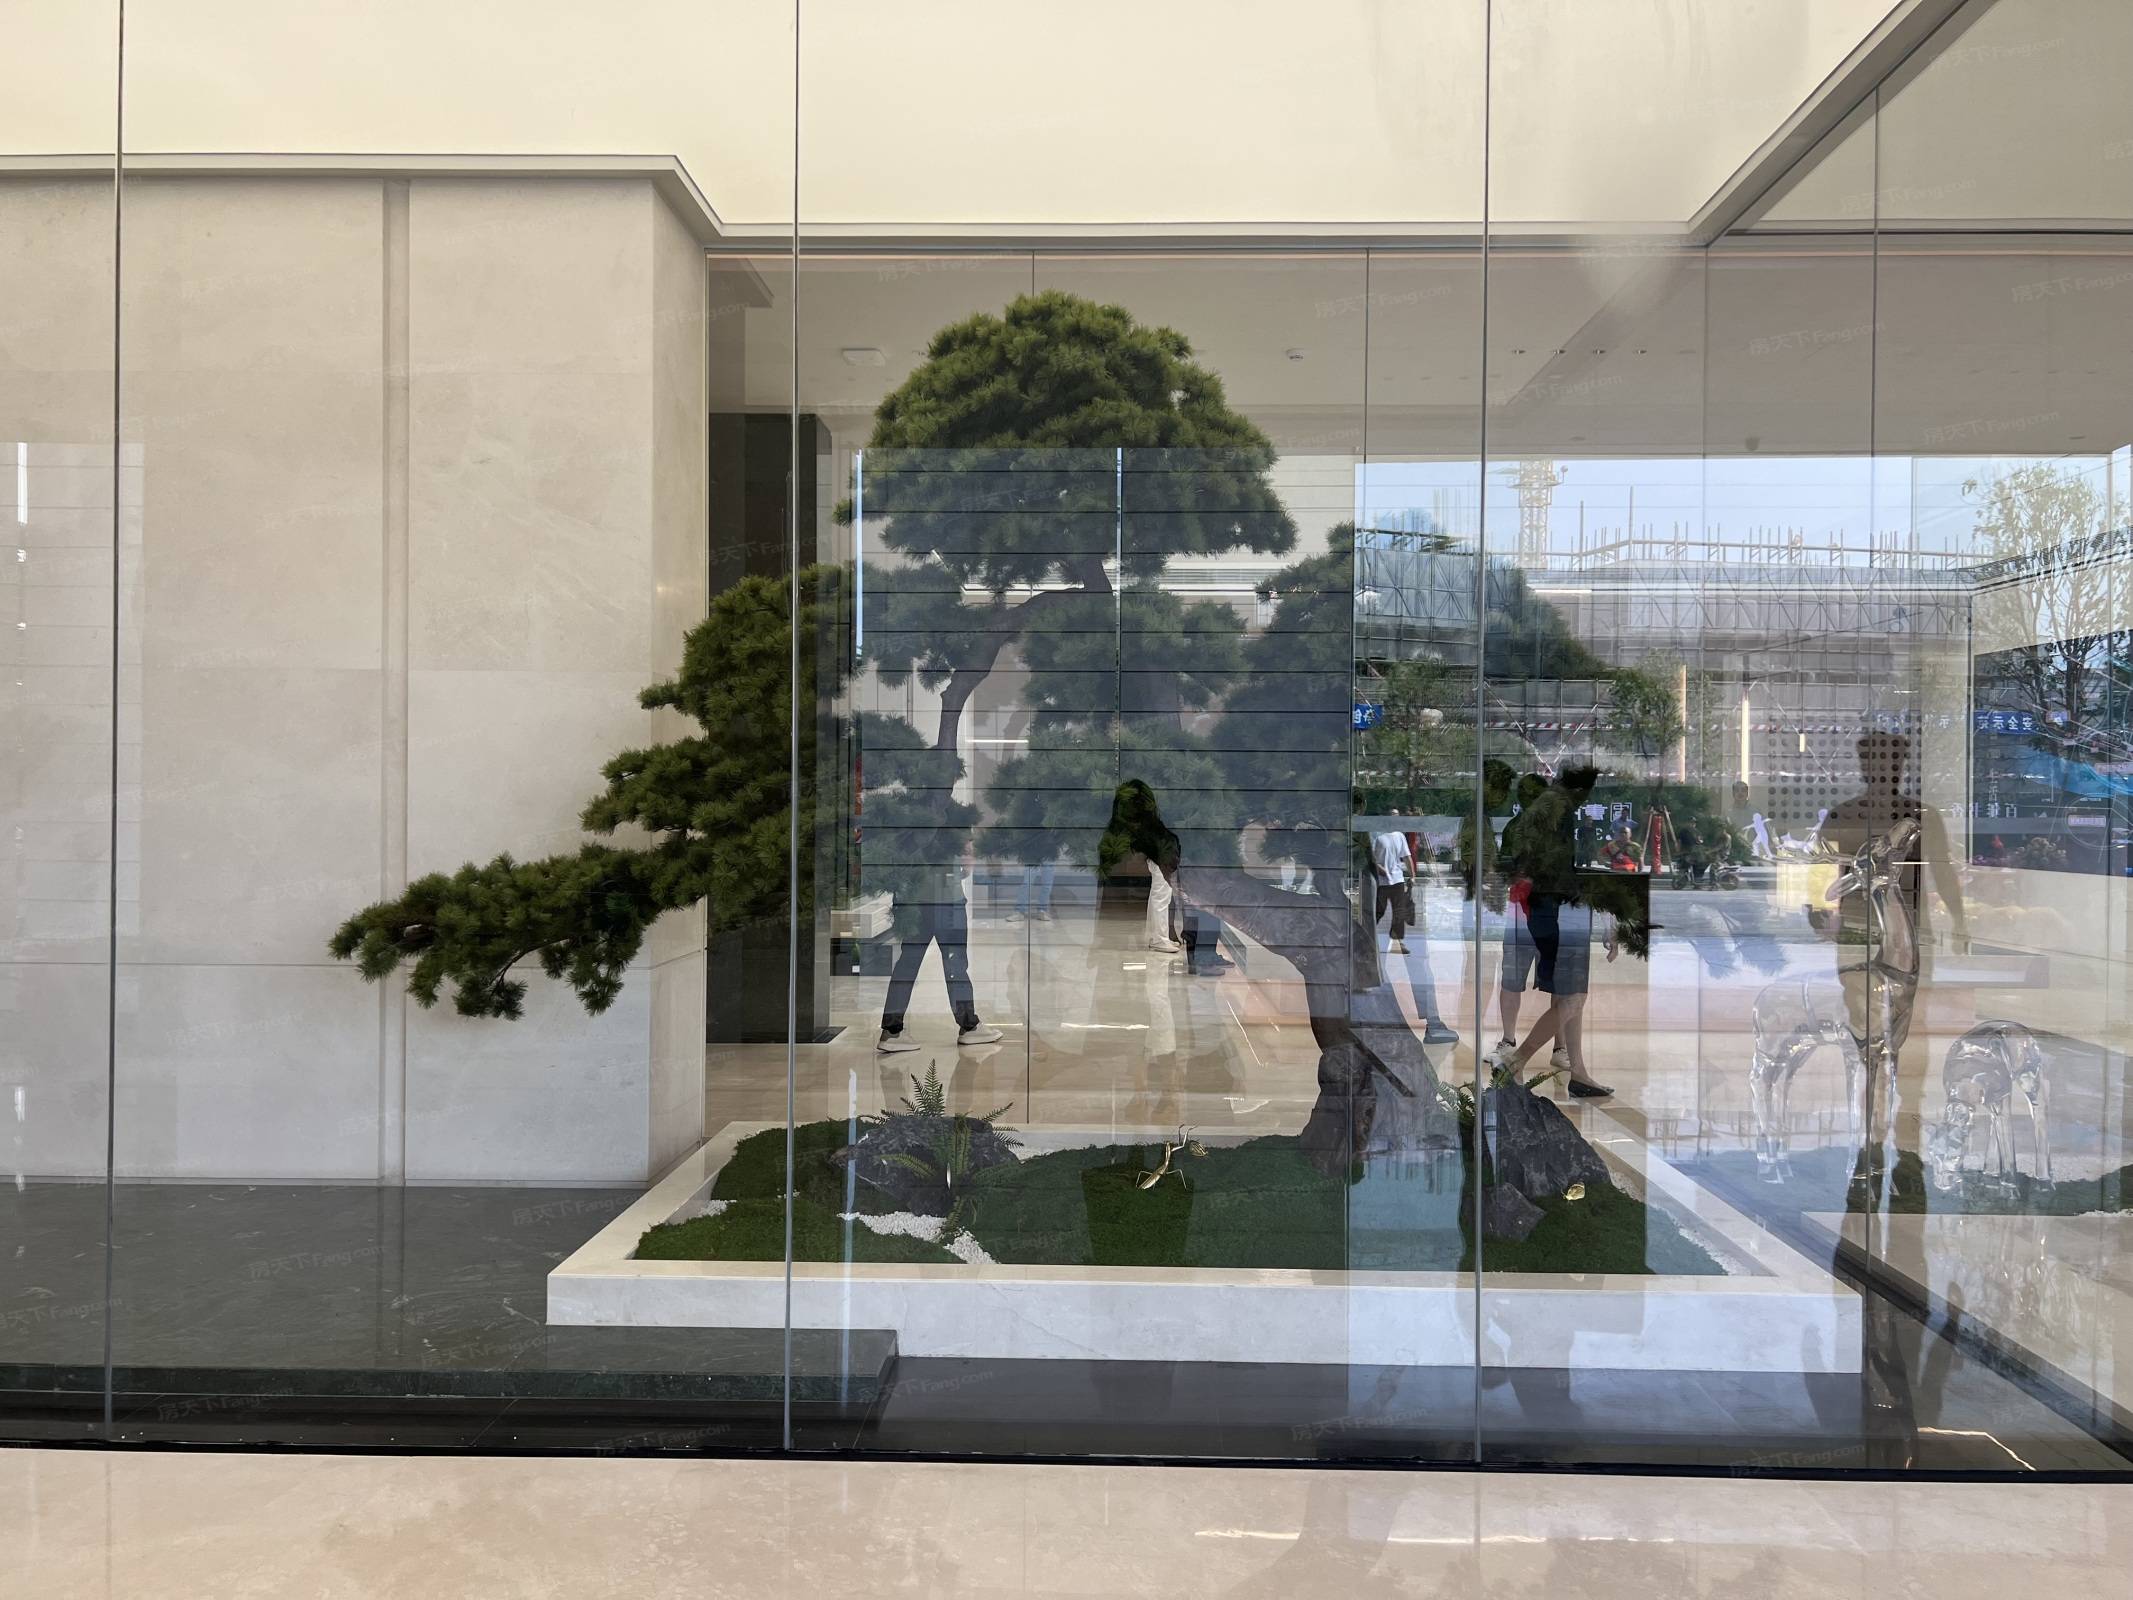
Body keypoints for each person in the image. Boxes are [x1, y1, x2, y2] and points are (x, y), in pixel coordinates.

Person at [1818, 731, 1969, 1198]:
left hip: (1907, 941)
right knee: (1867, 1043)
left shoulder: (1922, 817)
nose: (1883, 768)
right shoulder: (1843, 816)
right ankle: (1868, 1146)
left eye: (1891, 760)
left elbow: (1941, 870)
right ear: (1863, 765)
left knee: (1906, 1039)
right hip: (1857, 941)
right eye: (1875, 760)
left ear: (1902, 765)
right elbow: (1823, 875)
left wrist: (1960, 920)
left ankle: (1904, 1142)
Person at [1497, 764, 1615, 1098]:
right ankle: (1516, 1060)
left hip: (1546, 913)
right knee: (1574, 997)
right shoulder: (1558, 814)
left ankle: (1578, 1073)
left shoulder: (1544, 814)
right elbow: (1557, 871)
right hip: (1557, 914)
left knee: (1570, 996)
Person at [877, 853, 1004, 1053]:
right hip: (945, 898)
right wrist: (966, 854)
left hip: (912, 898)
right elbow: (962, 851)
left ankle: (892, 1030)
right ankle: (969, 1025)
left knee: (908, 962)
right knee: (955, 964)